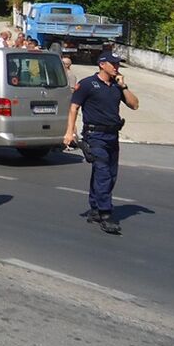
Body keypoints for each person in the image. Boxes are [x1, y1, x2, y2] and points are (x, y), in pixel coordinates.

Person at [62, 53, 139, 235]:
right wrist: (69, 132)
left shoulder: (116, 86)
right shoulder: (88, 84)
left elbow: (134, 105)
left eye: (117, 64)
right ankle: (105, 214)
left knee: (109, 174)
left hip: (112, 136)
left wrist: (124, 86)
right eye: (113, 64)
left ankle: (95, 208)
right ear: (102, 65)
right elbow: (74, 107)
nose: (116, 67)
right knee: (103, 172)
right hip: (95, 135)